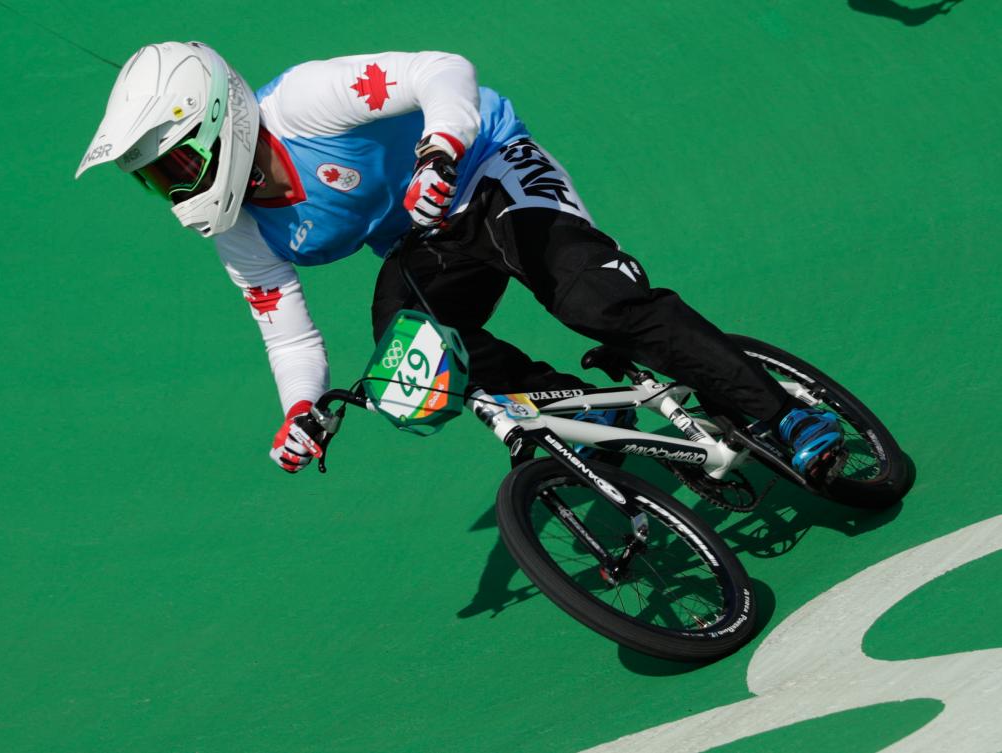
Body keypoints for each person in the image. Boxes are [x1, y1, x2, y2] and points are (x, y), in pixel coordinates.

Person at [75, 42, 843, 477]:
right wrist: (299, 411)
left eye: (171, 166)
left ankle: (783, 412)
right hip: (428, 234)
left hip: (489, 169)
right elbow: (290, 339)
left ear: (215, 123)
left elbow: (440, 69)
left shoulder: (303, 103)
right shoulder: (236, 231)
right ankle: (580, 405)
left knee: (592, 303)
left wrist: (440, 147)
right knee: (405, 347)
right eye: (155, 179)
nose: (170, 189)